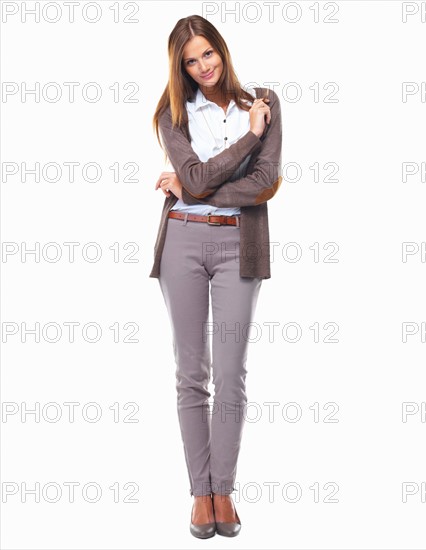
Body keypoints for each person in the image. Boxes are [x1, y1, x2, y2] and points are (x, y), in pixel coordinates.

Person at [149, 15, 283, 539]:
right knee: (191, 373)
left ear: (221, 51)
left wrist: (192, 187)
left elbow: (265, 183)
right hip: (181, 241)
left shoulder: (263, 104)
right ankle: (199, 494)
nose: (203, 66)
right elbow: (202, 175)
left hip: (237, 245)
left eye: (208, 54)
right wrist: (242, 146)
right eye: (190, 60)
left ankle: (223, 488)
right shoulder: (172, 114)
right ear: (180, 66)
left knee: (231, 372)